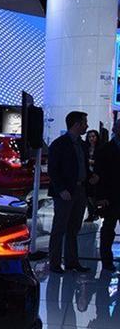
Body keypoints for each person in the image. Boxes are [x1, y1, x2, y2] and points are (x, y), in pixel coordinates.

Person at [48, 111, 99, 273]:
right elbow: (53, 170)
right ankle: (55, 263)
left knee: (74, 228)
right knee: (59, 227)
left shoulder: (82, 145)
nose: (87, 126)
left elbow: (82, 167)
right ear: (76, 124)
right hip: (65, 192)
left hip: (80, 190)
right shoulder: (59, 144)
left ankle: (72, 261)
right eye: (84, 123)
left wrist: (90, 177)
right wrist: (61, 189)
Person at [94, 117, 120, 272]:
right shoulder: (104, 150)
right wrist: (101, 197)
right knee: (108, 229)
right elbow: (99, 176)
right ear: (115, 129)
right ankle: (107, 261)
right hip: (111, 197)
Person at [85, 129, 103, 222]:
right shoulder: (85, 148)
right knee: (88, 195)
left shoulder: (100, 149)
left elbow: (102, 162)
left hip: (96, 175)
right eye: (89, 137)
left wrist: (91, 162)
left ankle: (95, 212)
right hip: (87, 174)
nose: (91, 138)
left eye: (93, 136)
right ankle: (91, 213)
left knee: (93, 195)